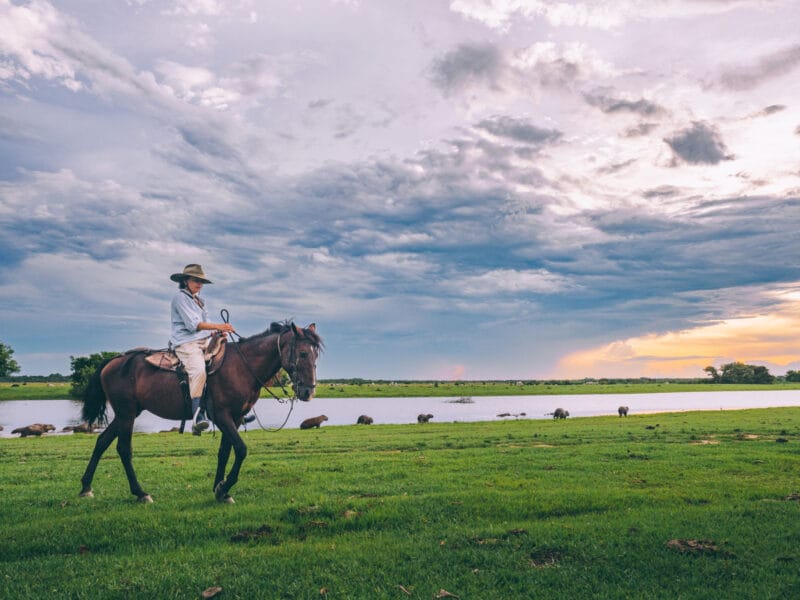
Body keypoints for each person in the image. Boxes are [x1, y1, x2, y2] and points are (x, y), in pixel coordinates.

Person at [169, 264, 235, 435]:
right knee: (198, 370)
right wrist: (220, 326)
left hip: (203, 341)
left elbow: (206, 325)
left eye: (201, 281)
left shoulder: (199, 301)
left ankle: (233, 410)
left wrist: (217, 332)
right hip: (186, 343)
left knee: (227, 361)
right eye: (196, 280)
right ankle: (197, 415)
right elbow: (193, 325)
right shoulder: (180, 298)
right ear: (185, 281)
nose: (199, 284)